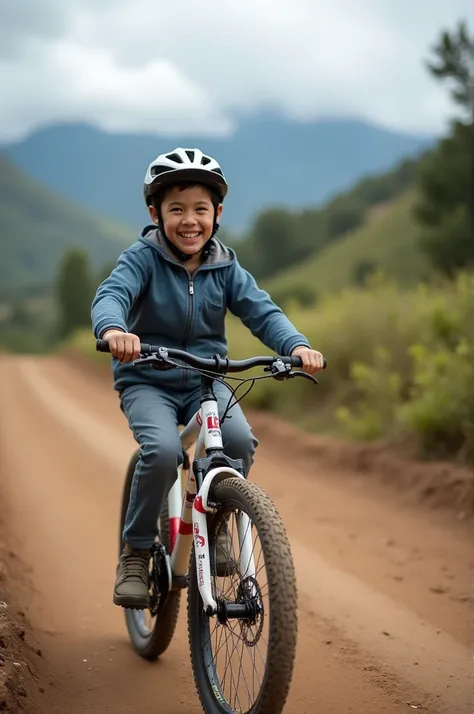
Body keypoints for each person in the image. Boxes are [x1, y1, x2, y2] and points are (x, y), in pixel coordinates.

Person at [91, 147, 324, 609]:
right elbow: (112, 295)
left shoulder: (226, 266)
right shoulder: (141, 259)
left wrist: (295, 346)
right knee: (161, 452)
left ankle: (214, 522)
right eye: (176, 209)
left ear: (217, 214)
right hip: (148, 378)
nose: (189, 220)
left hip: (207, 379)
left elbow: (262, 311)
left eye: (200, 209)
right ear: (155, 213)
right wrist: (115, 330)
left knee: (237, 441)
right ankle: (137, 551)